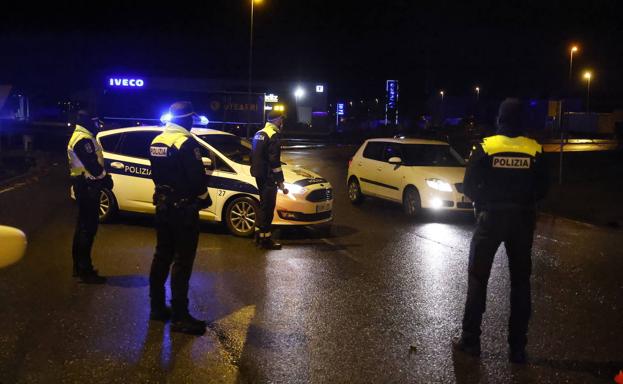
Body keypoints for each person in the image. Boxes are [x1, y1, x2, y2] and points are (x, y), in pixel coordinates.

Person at [453, 98, 549, 364]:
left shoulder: (486, 147)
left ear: (500, 118)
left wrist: (486, 199)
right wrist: (525, 200)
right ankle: (517, 349)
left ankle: (471, 341)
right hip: (522, 220)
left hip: (490, 218)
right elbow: (544, 188)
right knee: (520, 284)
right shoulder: (534, 149)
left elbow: (469, 186)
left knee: (478, 279)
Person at [148, 101, 211, 335]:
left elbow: (157, 175)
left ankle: (156, 307)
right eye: (191, 119)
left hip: (163, 206)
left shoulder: (157, 141)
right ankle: (180, 317)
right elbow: (197, 180)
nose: (193, 123)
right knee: (182, 261)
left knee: (161, 255)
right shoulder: (186, 143)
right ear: (185, 119)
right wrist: (204, 199)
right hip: (183, 210)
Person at [67, 110, 112, 284]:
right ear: (87, 121)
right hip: (88, 186)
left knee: (82, 229)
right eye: (95, 121)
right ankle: (85, 271)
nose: (97, 125)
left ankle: (79, 268)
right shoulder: (82, 139)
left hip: (85, 185)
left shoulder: (81, 136)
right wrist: (104, 178)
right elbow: (92, 165)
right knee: (87, 230)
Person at [250, 110, 287, 250]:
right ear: (277, 120)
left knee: (263, 205)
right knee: (268, 208)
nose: (282, 123)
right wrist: (280, 182)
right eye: (281, 120)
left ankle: (258, 236)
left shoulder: (258, 133)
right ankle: (265, 240)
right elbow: (274, 161)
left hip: (258, 175)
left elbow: (252, 155)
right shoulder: (273, 135)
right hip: (268, 177)